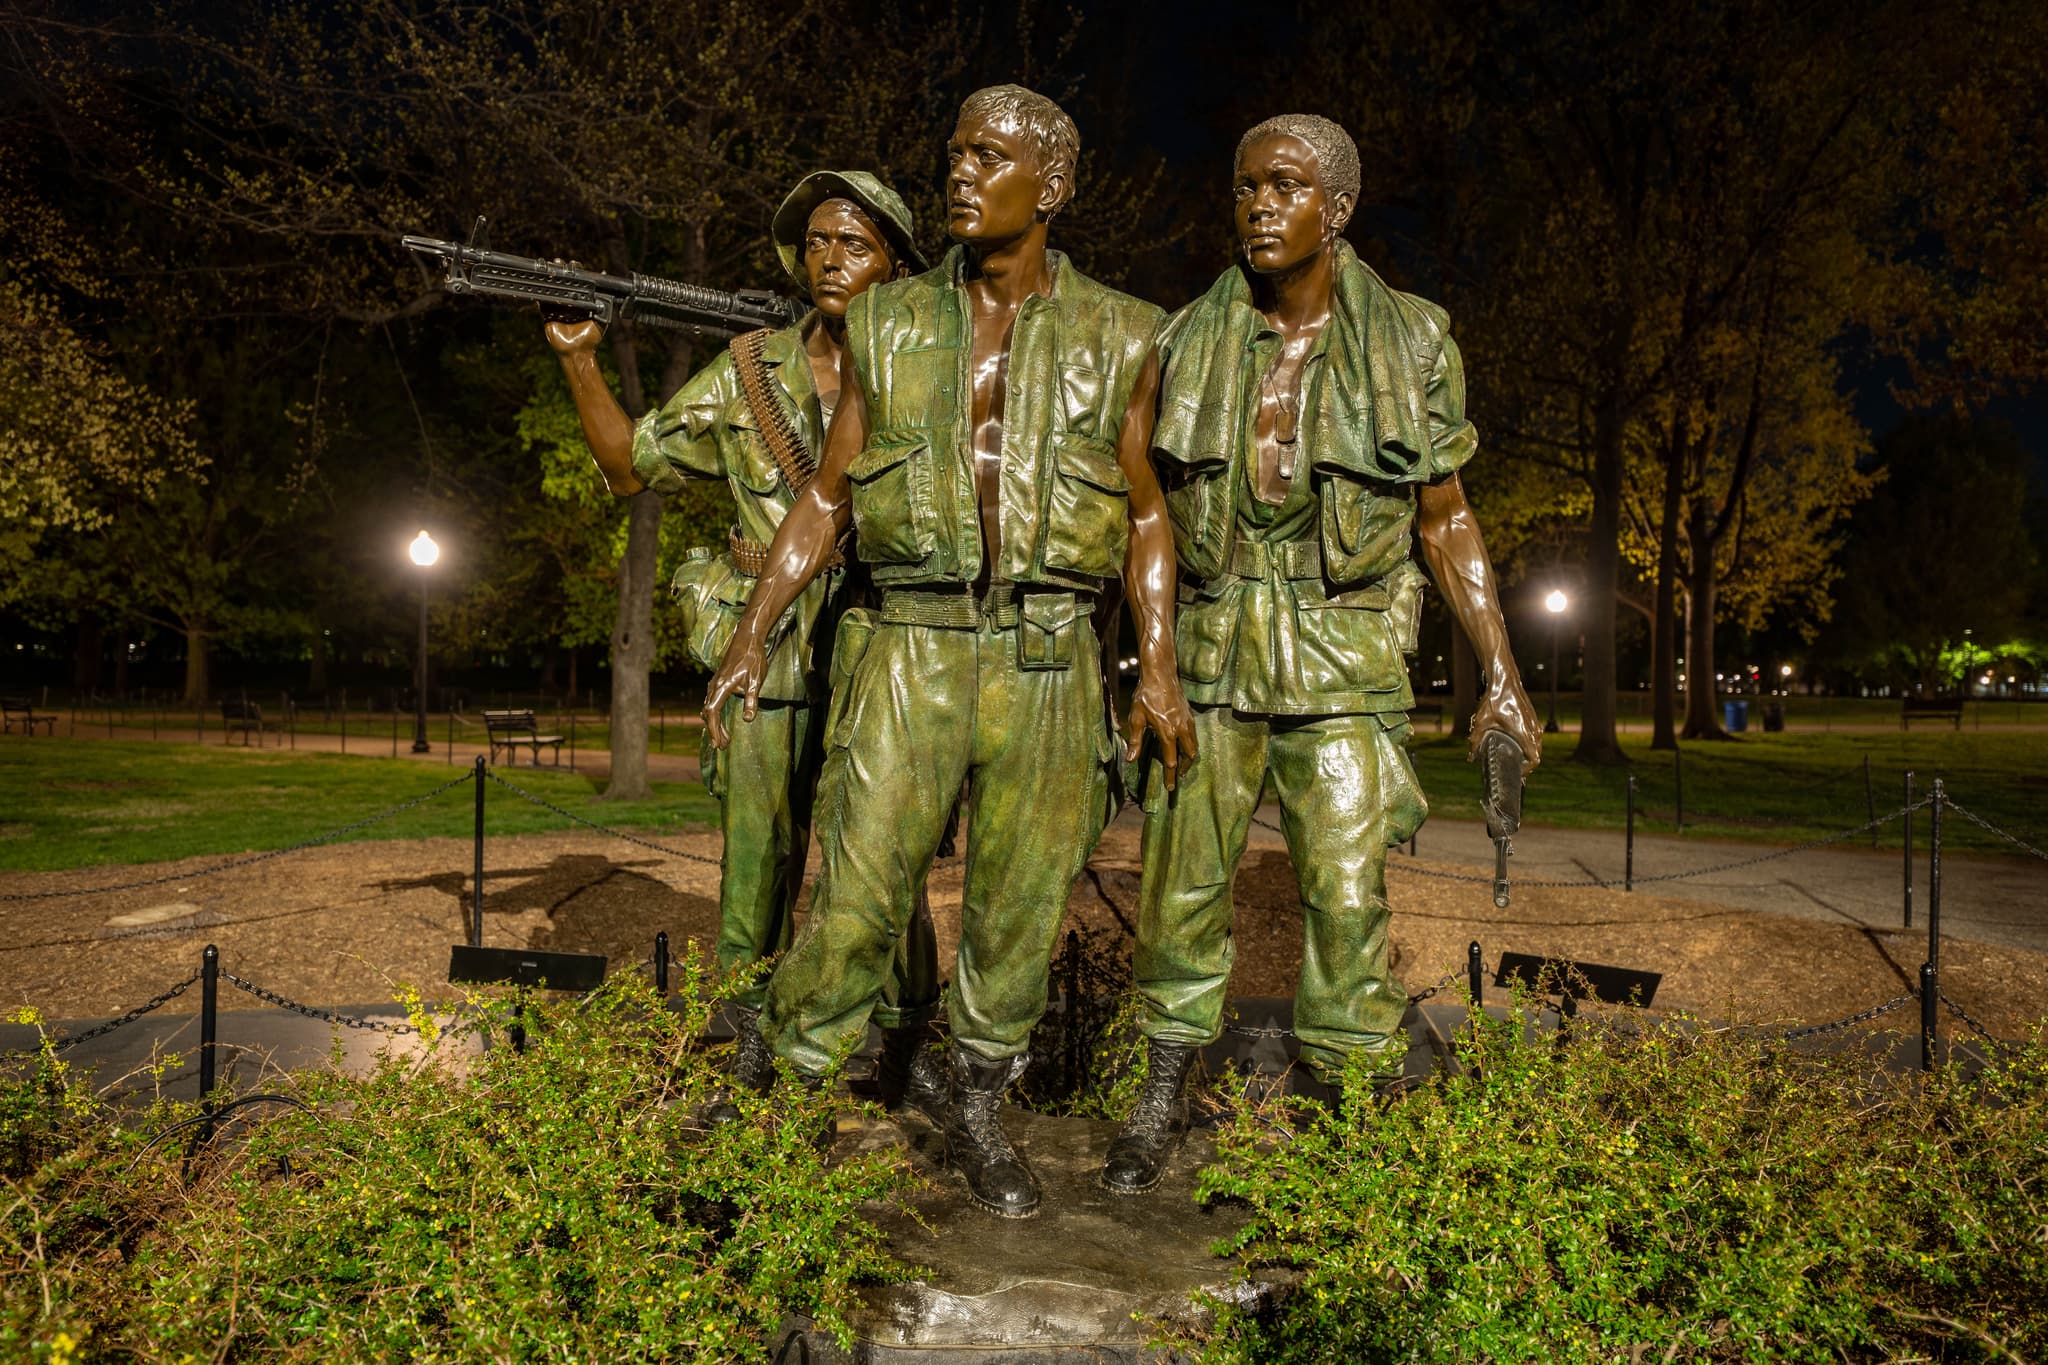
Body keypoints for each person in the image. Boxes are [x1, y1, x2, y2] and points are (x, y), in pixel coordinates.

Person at [705, 85, 1198, 1218]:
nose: (961, 176)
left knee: (1020, 900)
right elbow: (826, 498)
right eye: (954, 156)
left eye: (989, 157)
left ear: (1053, 185)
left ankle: (979, 1101)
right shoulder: (883, 321)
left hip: (1044, 650)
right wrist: (750, 631)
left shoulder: (1124, 330)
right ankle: (788, 1092)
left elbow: (1142, 514)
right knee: (856, 888)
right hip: (911, 641)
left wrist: (1157, 667)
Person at [1103, 115, 1543, 1194]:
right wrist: (1152, 662)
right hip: (1210, 648)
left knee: (1347, 896)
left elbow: (1442, 518)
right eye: (1245, 186)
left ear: (1335, 209)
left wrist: (1501, 666)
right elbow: (1146, 511)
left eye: (1285, 187)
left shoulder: (1413, 341)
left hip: (1342, 654)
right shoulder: (1177, 341)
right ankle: (1165, 1080)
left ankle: (1345, 1103)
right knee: (1179, 883)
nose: (1258, 206)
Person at [543, 171, 940, 1111]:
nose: (830, 259)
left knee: (890, 860)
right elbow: (627, 465)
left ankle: (906, 1047)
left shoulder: (927, 365)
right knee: (756, 862)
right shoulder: (749, 369)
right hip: (768, 649)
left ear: (897, 262)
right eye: (815, 243)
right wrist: (578, 360)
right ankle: (750, 1050)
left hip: (881, 641)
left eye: (854, 243)